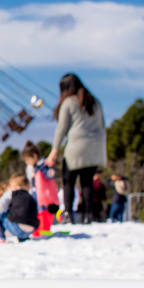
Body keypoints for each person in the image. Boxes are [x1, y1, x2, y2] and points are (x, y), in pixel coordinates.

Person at [45, 73, 107, 224]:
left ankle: (68, 214)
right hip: (95, 147)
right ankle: (88, 216)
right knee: (87, 183)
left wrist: (54, 151)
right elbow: (102, 124)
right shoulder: (95, 102)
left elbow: (61, 129)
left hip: (76, 146)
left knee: (68, 181)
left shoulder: (69, 102)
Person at [0, 173, 39, 242]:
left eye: (11, 186)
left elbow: (0, 205)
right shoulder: (30, 196)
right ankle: (23, 238)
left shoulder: (12, 192)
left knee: (2, 212)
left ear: (15, 187)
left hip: (17, 228)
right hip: (31, 229)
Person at [21, 141, 59, 235]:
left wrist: (50, 170)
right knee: (36, 211)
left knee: (43, 211)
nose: (27, 162)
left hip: (43, 193)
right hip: (35, 193)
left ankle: (45, 228)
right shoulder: (33, 167)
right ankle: (38, 228)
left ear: (35, 156)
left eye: (28, 160)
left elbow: (50, 175)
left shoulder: (43, 165)